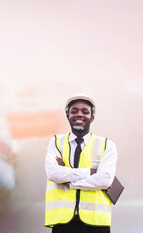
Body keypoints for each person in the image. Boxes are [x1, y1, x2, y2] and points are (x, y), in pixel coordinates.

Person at [45, 93, 117, 233]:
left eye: (85, 112)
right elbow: (53, 173)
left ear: (92, 117)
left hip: (96, 222)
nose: (79, 114)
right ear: (67, 115)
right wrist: (89, 172)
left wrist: (69, 181)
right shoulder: (56, 142)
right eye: (74, 111)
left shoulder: (107, 145)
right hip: (63, 222)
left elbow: (105, 179)